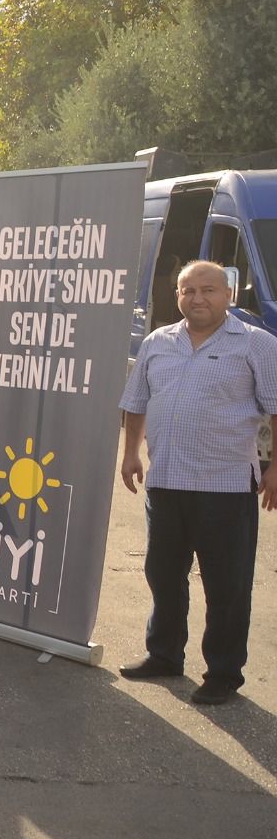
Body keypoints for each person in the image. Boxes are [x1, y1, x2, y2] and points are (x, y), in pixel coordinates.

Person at [118, 260, 277, 705]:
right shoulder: (157, 342)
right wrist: (130, 454)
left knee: (227, 584)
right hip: (166, 481)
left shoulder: (256, 345)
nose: (198, 299)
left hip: (225, 486)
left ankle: (224, 673)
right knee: (163, 574)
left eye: (209, 290)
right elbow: (136, 401)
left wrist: (275, 469)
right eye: (189, 291)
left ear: (228, 294)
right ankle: (164, 654)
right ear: (178, 296)